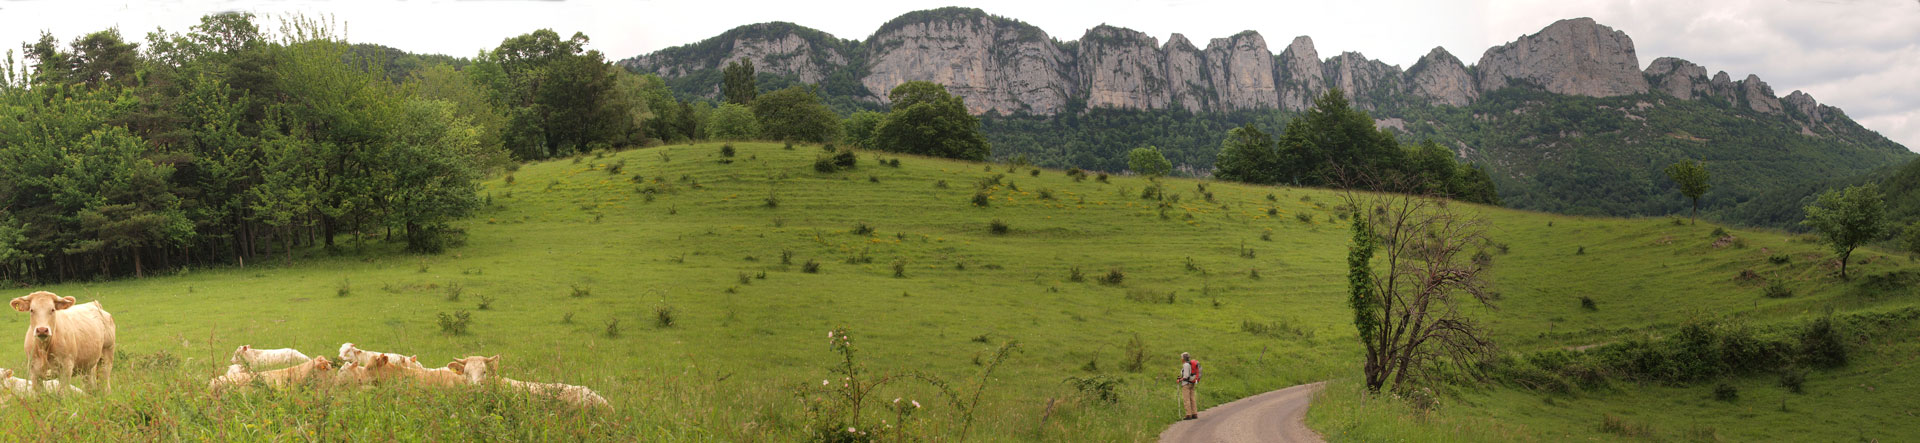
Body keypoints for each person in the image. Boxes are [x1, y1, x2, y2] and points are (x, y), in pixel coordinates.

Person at [1177, 352, 1201, 420]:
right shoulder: (1190, 364)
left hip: (1186, 384)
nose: (1181, 359)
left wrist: (1180, 380)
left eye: (1181, 358)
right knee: (1192, 398)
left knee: (1186, 399)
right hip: (1192, 383)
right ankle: (1194, 413)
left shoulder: (1186, 365)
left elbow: (1186, 376)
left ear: (1183, 358)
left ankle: (1188, 414)